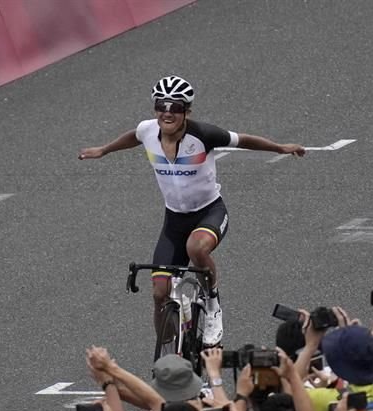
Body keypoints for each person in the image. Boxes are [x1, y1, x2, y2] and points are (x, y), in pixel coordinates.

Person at [78, 75, 305, 347]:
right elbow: (133, 137)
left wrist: (280, 147)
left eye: (176, 107)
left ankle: (212, 303)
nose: (167, 112)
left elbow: (244, 140)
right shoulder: (147, 131)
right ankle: (178, 335)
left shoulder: (204, 135)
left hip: (209, 213)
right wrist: (103, 150)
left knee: (196, 248)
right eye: (162, 105)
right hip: (174, 221)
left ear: (187, 111)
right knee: (159, 294)